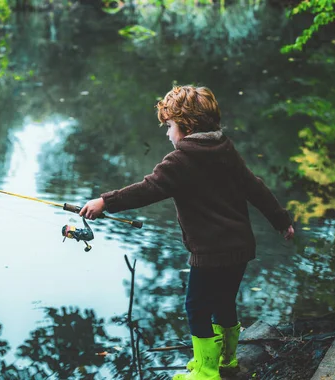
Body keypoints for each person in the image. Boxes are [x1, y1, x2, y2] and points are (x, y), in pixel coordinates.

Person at [80, 85, 295, 380]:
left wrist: (105, 201)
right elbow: (254, 186)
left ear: (187, 126)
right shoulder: (225, 148)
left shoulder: (180, 160)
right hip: (240, 247)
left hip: (210, 251)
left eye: (170, 126)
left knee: (195, 307)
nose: (168, 133)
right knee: (223, 302)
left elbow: (148, 189)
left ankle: (206, 372)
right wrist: (281, 220)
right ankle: (227, 362)